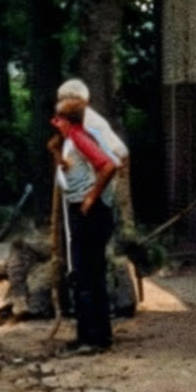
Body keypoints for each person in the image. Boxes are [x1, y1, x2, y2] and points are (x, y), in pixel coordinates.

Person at [50, 93, 119, 354]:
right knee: (88, 272)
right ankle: (94, 334)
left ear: (67, 121)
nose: (54, 123)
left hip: (88, 211)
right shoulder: (70, 141)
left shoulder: (79, 137)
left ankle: (93, 338)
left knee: (85, 272)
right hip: (80, 208)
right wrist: (58, 153)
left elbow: (108, 165)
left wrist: (91, 197)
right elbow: (72, 169)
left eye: (57, 119)